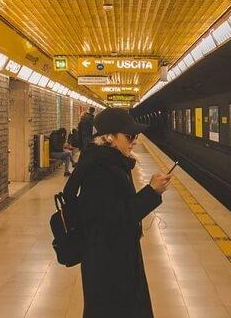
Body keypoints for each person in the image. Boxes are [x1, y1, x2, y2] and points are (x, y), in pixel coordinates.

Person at [68, 108, 171, 317]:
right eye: (129, 136)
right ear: (110, 138)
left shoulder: (108, 162)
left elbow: (115, 211)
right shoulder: (101, 170)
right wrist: (151, 192)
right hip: (109, 263)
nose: (134, 140)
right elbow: (112, 219)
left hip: (110, 256)